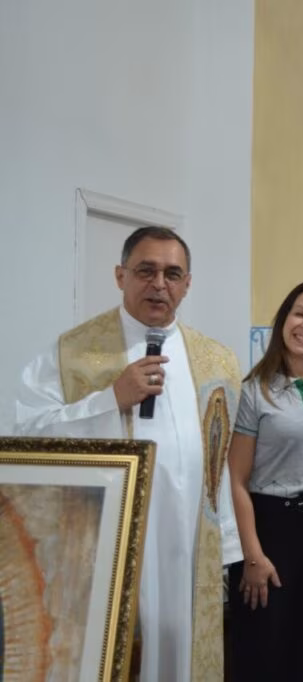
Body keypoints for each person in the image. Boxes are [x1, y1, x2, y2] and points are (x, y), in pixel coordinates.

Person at [15, 226, 241, 681]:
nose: (160, 284)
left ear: (187, 284)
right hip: (102, 540)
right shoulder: (71, 353)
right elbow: (25, 439)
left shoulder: (217, 361)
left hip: (190, 544)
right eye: (146, 271)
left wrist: (228, 545)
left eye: (173, 274)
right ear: (120, 276)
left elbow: (218, 464)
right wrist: (110, 400)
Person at [225, 281, 303, 680]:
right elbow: (236, 480)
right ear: (283, 320)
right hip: (270, 530)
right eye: (300, 314)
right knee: (266, 651)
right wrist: (252, 556)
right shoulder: (253, 391)